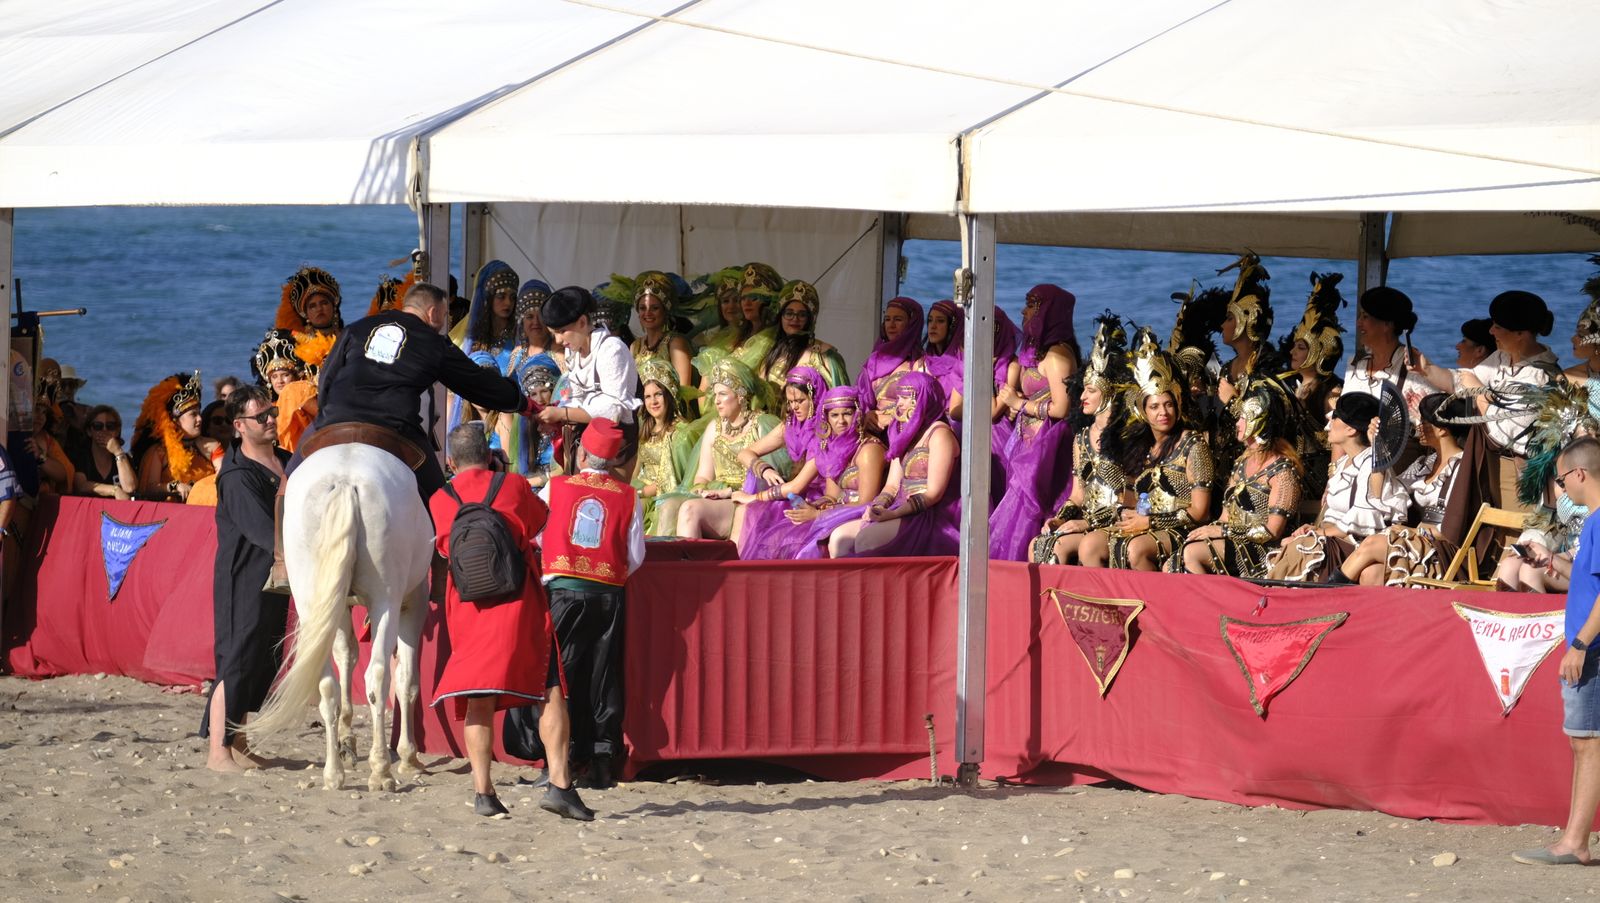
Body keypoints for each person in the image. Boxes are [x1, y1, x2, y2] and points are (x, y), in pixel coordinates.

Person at [429, 422, 589, 820]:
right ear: (488, 454)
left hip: (467, 610)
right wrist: (501, 475)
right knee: (549, 690)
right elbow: (539, 521)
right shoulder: (512, 486)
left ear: (450, 461)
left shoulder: (439, 498)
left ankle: (483, 792)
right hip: (519, 604)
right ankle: (559, 784)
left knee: (477, 698)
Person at [535, 419, 644, 791]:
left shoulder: (555, 486)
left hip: (563, 592)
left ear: (581, 453)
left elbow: (535, 532)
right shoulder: (629, 495)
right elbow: (636, 556)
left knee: (559, 678)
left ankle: (559, 759)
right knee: (604, 674)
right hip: (609, 593)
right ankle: (600, 758)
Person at [1512, 435, 1600, 866]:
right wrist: (1551, 562)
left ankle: (1575, 842)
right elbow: (1590, 581)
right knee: (1585, 743)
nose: (1561, 489)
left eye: (1563, 480)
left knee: (1588, 744)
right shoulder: (1595, 523)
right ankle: (1574, 840)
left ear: (1580, 474)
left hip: (1593, 647)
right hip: (1590, 642)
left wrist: (1581, 644)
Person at [200, 386, 290, 773]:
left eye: (271, 412)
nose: (271, 420)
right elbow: (260, 530)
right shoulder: (236, 475)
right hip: (243, 576)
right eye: (261, 417)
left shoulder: (287, 460)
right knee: (235, 660)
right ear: (238, 426)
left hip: (276, 575)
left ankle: (240, 743)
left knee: (261, 659)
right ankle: (217, 753)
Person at [1414, 290, 1563, 505]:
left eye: (1498, 327)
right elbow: (1461, 381)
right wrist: (1425, 368)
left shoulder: (1539, 375)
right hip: (1490, 467)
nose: (1491, 331)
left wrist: (1480, 393)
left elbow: (1505, 430)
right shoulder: (1502, 358)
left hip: (1516, 477)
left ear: (1521, 333)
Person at [1264, 392, 1406, 582]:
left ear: (1351, 430)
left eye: (1336, 417)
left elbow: (1364, 522)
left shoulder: (1372, 465)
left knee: (1298, 548)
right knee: (1289, 544)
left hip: (1352, 547)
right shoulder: (1344, 463)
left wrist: (1318, 533)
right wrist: (1312, 528)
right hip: (1331, 539)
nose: (1328, 422)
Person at [1101, 331, 1214, 571]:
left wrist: (1150, 521)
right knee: (1103, 543)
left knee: (1134, 549)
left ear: (1178, 405)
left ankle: (1154, 605)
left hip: (1184, 529)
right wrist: (1125, 514)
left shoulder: (1193, 445)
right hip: (1148, 525)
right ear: (1143, 411)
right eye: (1154, 406)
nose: (1163, 412)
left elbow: (1201, 512)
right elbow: (1129, 498)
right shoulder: (1138, 447)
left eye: (1168, 404)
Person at [820, 371, 960, 558]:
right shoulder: (904, 433)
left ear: (923, 399)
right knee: (839, 538)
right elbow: (892, 486)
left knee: (865, 540)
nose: (898, 404)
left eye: (905, 398)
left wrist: (892, 515)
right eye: (898, 398)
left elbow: (933, 494)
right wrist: (877, 508)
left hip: (930, 516)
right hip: (900, 511)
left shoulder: (940, 435)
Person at [1338, 393, 1470, 586]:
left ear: (1442, 430)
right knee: (1370, 574)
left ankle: (1330, 593)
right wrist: (1378, 448)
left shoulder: (1462, 466)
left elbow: (1454, 529)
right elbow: (1380, 494)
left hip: (1444, 550)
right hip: (1415, 542)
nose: (1419, 427)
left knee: (1372, 543)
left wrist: (1412, 531)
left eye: (1424, 422)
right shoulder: (1423, 464)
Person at [1032, 317, 1132, 566]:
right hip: (1087, 519)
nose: (1083, 396)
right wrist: (1061, 519)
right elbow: (1078, 494)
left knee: (1076, 546)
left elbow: (1130, 499)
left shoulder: (1127, 436)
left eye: (1091, 390)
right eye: (1084, 389)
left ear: (1108, 393)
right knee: (1040, 544)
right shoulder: (1081, 438)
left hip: (1117, 520)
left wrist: (1088, 523)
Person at [990, 285, 1080, 560]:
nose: (1023, 311)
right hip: (1027, 444)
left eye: (1031, 305)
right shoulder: (1040, 353)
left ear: (1048, 312)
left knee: (1029, 512)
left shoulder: (1058, 356)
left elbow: (1063, 408)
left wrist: (1020, 405)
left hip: (1046, 449)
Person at [1180, 383, 1304, 577]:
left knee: (1192, 554)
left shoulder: (1282, 472)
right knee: (1176, 558)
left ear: (1259, 423)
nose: (1237, 423)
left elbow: (1271, 532)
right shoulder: (1242, 463)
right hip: (1233, 540)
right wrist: (1209, 530)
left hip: (1262, 549)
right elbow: (1225, 517)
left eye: (1243, 418)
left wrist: (1223, 533)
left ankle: (1214, 604)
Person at [674, 358, 784, 541]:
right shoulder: (714, 428)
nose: (716, 401)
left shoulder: (762, 425)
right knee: (672, 505)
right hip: (718, 497)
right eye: (715, 394)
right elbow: (703, 476)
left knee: (690, 509)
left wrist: (730, 492)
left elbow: (773, 479)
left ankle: (688, 568)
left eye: (722, 394)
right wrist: (702, 489)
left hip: (749, 499)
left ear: (740, 395)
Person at [536, 286, 641, 474]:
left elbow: (613, 409)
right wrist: (555, 416)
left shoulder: (612, 350)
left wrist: (563, 414)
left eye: (562, 331)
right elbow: (577, 397)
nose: (558, 340)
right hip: (585, 443)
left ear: (583, 322)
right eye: (554, 334)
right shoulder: (573, 351)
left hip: (615, 447)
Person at [735, 366, 827, 558]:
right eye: (791, 401)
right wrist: (764, 469)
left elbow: (797, 485)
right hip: (794, 495)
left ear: (815, 397)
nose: (794, 407)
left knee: (760, 515)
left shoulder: (824, 431)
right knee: (748, 513)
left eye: (800, 401)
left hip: (820, 499)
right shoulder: (790, 425)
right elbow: (745, 453)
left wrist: (754, 497)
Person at [790, 386, 888, 559]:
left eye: (847, 414)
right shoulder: (834, 448)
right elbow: (832, 496)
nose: (840, 421)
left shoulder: (869, 449)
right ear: (826, 418)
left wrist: (819, 515)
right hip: (839, 513)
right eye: (834, 415)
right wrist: (813, 506)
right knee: (791, 533)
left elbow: (867, 501)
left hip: (864, 515)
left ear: (857, 415)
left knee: (832, 539)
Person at [450, 260, 521, 432]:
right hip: (471, 425)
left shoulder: (519, 338)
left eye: (512, 297)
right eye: (501, 296)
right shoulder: (465, 339)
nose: (508, 303)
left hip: (507, 427)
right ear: (488, 298)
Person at [632, 359, 699, 535]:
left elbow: (682, 479)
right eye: (648, 396)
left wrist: (643, 492)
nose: (653, 401)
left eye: (658, 394)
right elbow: (636, 468)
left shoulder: (681, 433)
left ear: (669, 395)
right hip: (643, 491)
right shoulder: (645, 429)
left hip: (666, 494)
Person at [132, 372, 217, 501]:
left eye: (199, 413)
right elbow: (148, 489)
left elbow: (225, 479)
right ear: (175, 420)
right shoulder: (160, 452)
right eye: (193, 414)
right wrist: (174, 486)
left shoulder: (212, 446)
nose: (200, 419)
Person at [757, 280, 850, 391]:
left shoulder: (824, 356)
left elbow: (840, 402)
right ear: (780, 316)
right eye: (789, 313)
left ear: (810, 319)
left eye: (802, 315)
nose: (795, 319)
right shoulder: (770, 351)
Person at [272, 266, 344, 379]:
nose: (319, 309)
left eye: (324, 303)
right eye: (312, 306)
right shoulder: (295, 344)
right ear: (305, 314)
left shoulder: (348, 337)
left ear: (333, 306)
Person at [628, 271, 695, 390]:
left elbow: (684, 391)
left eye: (655, 308)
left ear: (665, 311)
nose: (647, 313)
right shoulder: (635, 346)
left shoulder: (676, 343)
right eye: (643, 308)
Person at [70, 404, 136, 500]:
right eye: (98, 426)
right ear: (89, 431)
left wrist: (118, 452)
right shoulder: (81, 456)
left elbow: (130, 488)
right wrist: (114, 490)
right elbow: (81, 486)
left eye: (110, 426)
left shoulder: (125, 458)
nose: (104, 430)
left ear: (117, 431)